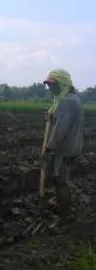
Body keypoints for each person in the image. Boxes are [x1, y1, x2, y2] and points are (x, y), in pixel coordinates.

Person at [42, 69, 83, 220]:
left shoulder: (66, 101)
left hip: (64, 148)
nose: (50, 88)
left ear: (63, 84)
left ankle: (64, 215)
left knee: (61, 181)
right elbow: (60, 119)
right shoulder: (72, 99)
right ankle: (61, 207)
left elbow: (61, 129)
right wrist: (51, 116)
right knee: (61, 179)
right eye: (48, 85)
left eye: (53, 85)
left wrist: (50, 147)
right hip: (72, 146)